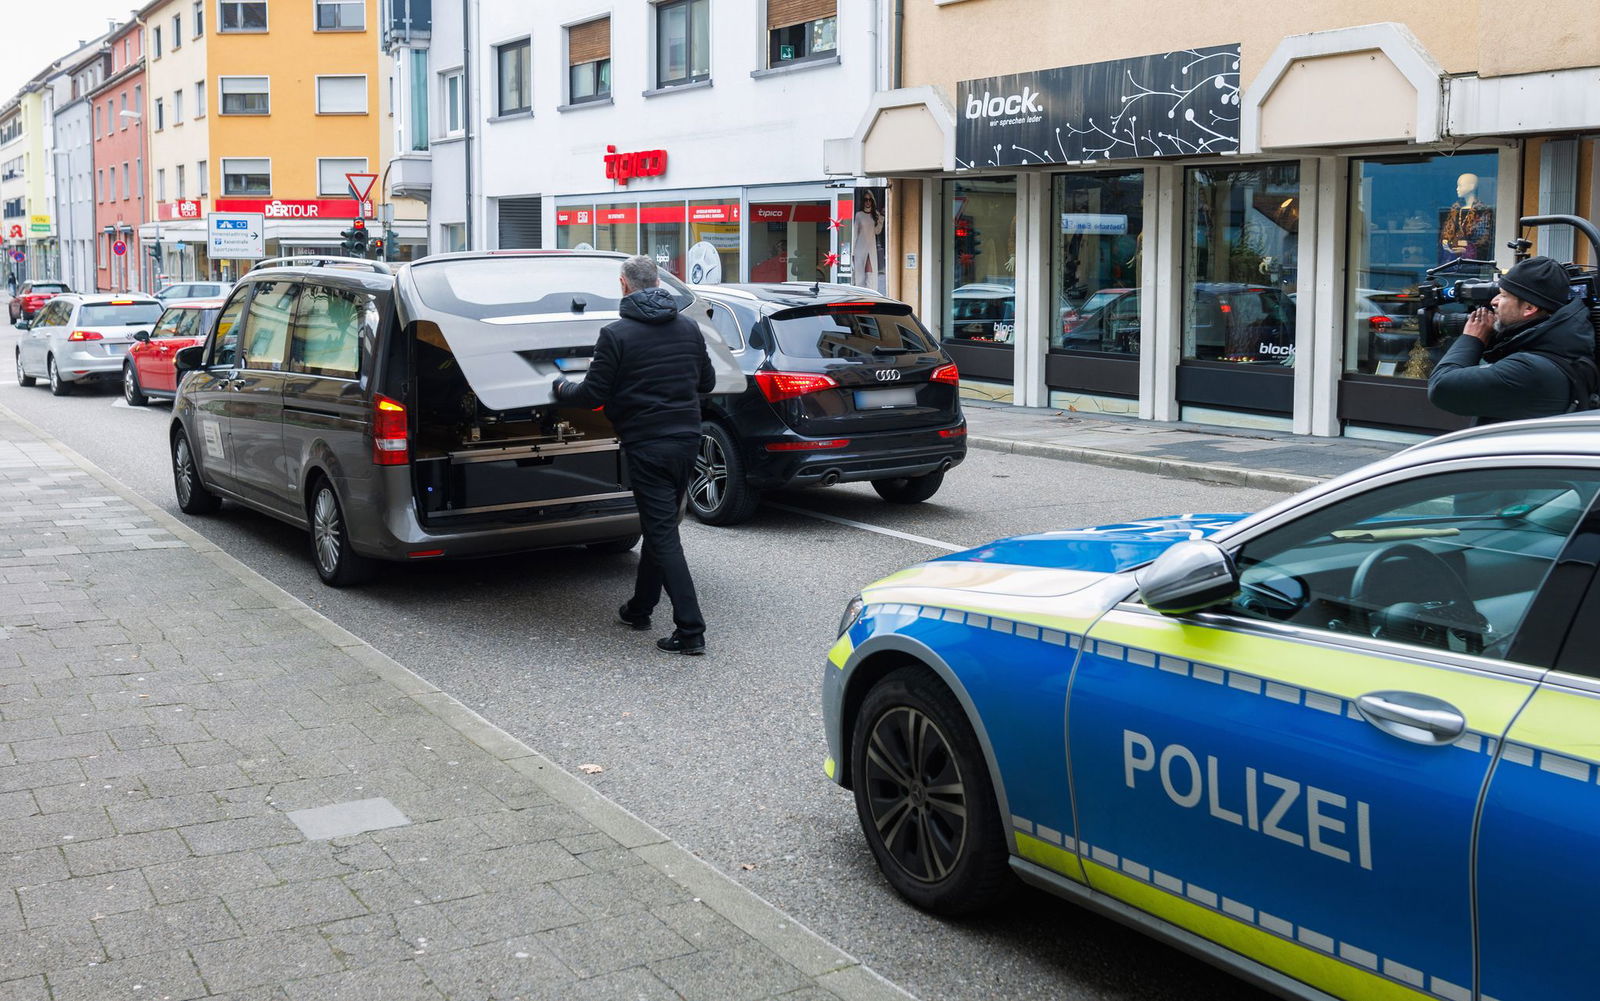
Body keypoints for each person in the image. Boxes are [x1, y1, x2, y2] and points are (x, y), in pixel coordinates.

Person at [553, 255, 715, 655]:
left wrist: (559, 388)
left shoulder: (616, 334)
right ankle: (640, 608)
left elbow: (591, 394)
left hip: (647, 445)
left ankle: (690, 629)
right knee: (660, 527)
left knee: (662, 532)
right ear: (658, 282)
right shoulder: (689, 327)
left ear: (623, 285)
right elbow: (707, 382)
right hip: (686, 440)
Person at [1428, 256, 1594, 425]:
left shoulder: (1530, 370)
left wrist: (1471, 338)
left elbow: (1441, 388)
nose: (1494, 301)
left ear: (1529, 308)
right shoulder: (1557, 347)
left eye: (1503, 295)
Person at [852, 190, 885, 293]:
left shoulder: (875, 214)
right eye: (866, 199)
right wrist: (852, 252)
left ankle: (870, 296)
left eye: (870, 199)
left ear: (872, 201)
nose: (868, 202)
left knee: (870, 274)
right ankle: (860, 298)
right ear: (863, 201)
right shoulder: (859, 215)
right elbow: (855, 234)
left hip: (871, 247)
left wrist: (881, 219)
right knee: (860, 276)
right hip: (859, 248)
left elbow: (877, 231)